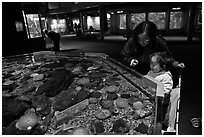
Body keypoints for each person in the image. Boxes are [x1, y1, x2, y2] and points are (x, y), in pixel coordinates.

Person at [146, 52, 174, 132]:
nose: (151, 66)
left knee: (163, 114)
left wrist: (156, 92)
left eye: (154, 65)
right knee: (153, 113)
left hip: (162, 102)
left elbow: (166, 90)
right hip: (152, 98)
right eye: (151, 64)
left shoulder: (166, 77)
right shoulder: (151, 72)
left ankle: (164, 126)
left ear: (163, 66)